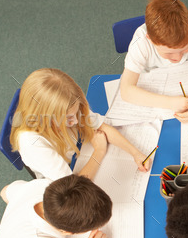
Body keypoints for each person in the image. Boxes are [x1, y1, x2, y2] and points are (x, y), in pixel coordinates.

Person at [10, 68, 149, 181]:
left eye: (75, 114)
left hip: (76, 154)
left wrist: (135, 153)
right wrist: (99, 152)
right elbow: (73, 187)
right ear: (46, 117)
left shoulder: (67, 104)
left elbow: (102, 127)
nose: (76, 121)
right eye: (69, 118)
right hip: (60, 182)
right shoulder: (33, 144)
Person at [119, 0, 188, 123]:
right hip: (154, 94)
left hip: (183, 78)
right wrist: (170, 102)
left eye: (184, 49)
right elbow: (126, 91)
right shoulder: (141, 41)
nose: (178, 58)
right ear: (150, 39)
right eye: (169, 53)